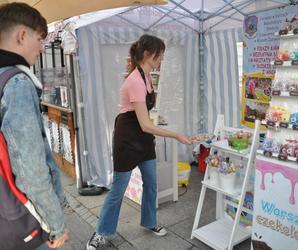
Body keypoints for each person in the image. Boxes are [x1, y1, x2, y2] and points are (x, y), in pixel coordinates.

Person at [86, 34, 192, 250]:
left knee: (151, 183)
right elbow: (144, 124)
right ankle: (101, 232)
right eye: (159, 55)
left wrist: (159, 122)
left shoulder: (147, 75)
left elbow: (144, 115)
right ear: (147, 55)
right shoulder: (134, 80)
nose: (161, 59)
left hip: (143, 138)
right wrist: (176, 135)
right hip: (127, 138)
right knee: (118, 189)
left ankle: (149, 221)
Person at [0, 3, 69, 249]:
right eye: (40, 39)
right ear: (21, 36)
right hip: (25, 218)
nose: (42, 47)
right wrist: (56, 224)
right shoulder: (17, 83)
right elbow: (31, 170)